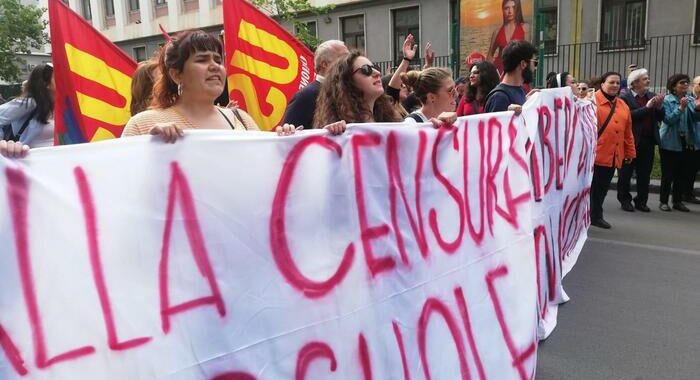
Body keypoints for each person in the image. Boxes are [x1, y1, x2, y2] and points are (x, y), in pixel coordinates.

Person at [122, 30, 296, 140]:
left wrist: (286, 142)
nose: (214, 66)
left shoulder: (242, 120)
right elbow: (123, 181)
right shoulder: (143, 125)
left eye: (218, 60)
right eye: (202, 60)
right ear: (176, 74)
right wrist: (148, 147)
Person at [313, 51, 402, 133]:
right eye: (366, 69)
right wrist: (328, 137)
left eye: (374, 67)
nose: (377, 73)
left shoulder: (392, 123)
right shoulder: (338, 133)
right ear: (346, 82)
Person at [590, 72, 635, 228]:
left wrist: (629, 153)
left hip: (613, 155)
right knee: (590, 189)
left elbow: (627, 133)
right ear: (602, 84)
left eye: (617, 83)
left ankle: (594, 215)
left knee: (601, 188)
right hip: (593, 155)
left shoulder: (623, 105)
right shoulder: (590, 102)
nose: (615, 85)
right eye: (611, 82)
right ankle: (591, 215)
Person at [617, 68, 665, 212]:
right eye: (645, 79)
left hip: (648, 141)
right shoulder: (624, 98)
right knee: (626, 173)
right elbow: (628, 117)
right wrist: (647, 107)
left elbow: (661, 117)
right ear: (635, 83)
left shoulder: (651, 95)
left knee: (645, 173)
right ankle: (625, 200)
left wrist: (659, 106)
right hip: (630, 141)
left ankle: (641, 201)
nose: (648, 81)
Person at [282, 40, 349, 129]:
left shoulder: (351, 92)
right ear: (325, 64)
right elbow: (288, 137)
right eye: (344, 58)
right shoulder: (306, 96)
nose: (350, 62)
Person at [0, 63, 55, 158]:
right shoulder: (30, 103)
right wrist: (2, 144)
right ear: (46, 84)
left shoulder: (67, 106)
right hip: (28, 164)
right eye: (58, 76)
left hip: (58, 164)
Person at [658, 74, 695, 212]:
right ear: (673, 86)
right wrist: (681, 108)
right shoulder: (667, 100)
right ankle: (663, 201)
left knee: (681, 173)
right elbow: (668, 120)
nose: (685, 85)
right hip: (669, 141)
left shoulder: (690, 99)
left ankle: (677, 201)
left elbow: (695, 118)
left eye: (687, 83)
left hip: (684, 141)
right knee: (668, 174)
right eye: (682, 83)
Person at [484, 40, 538, 113]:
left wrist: (527, 101)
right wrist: (507, 115)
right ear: (523, 64)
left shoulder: (519, 90)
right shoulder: (499, 98)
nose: (535, 68)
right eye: (535, 63)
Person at [487, 0, 529, 75]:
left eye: (513, 7)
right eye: (507, 8)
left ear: (517, 9)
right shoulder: (497, 32)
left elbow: (528, 54)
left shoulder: (524, 28)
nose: (510, 11)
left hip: (517, 71)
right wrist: (492, 73)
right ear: (503, 10)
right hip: (500, 72)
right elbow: (490, 55)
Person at [687, 75, 700, 203]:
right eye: (699, 84)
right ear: (693, 85)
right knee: (689, 169)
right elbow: (694, 116)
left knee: (695, 169)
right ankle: (686, 193)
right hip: (692, 139)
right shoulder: (689, 100)